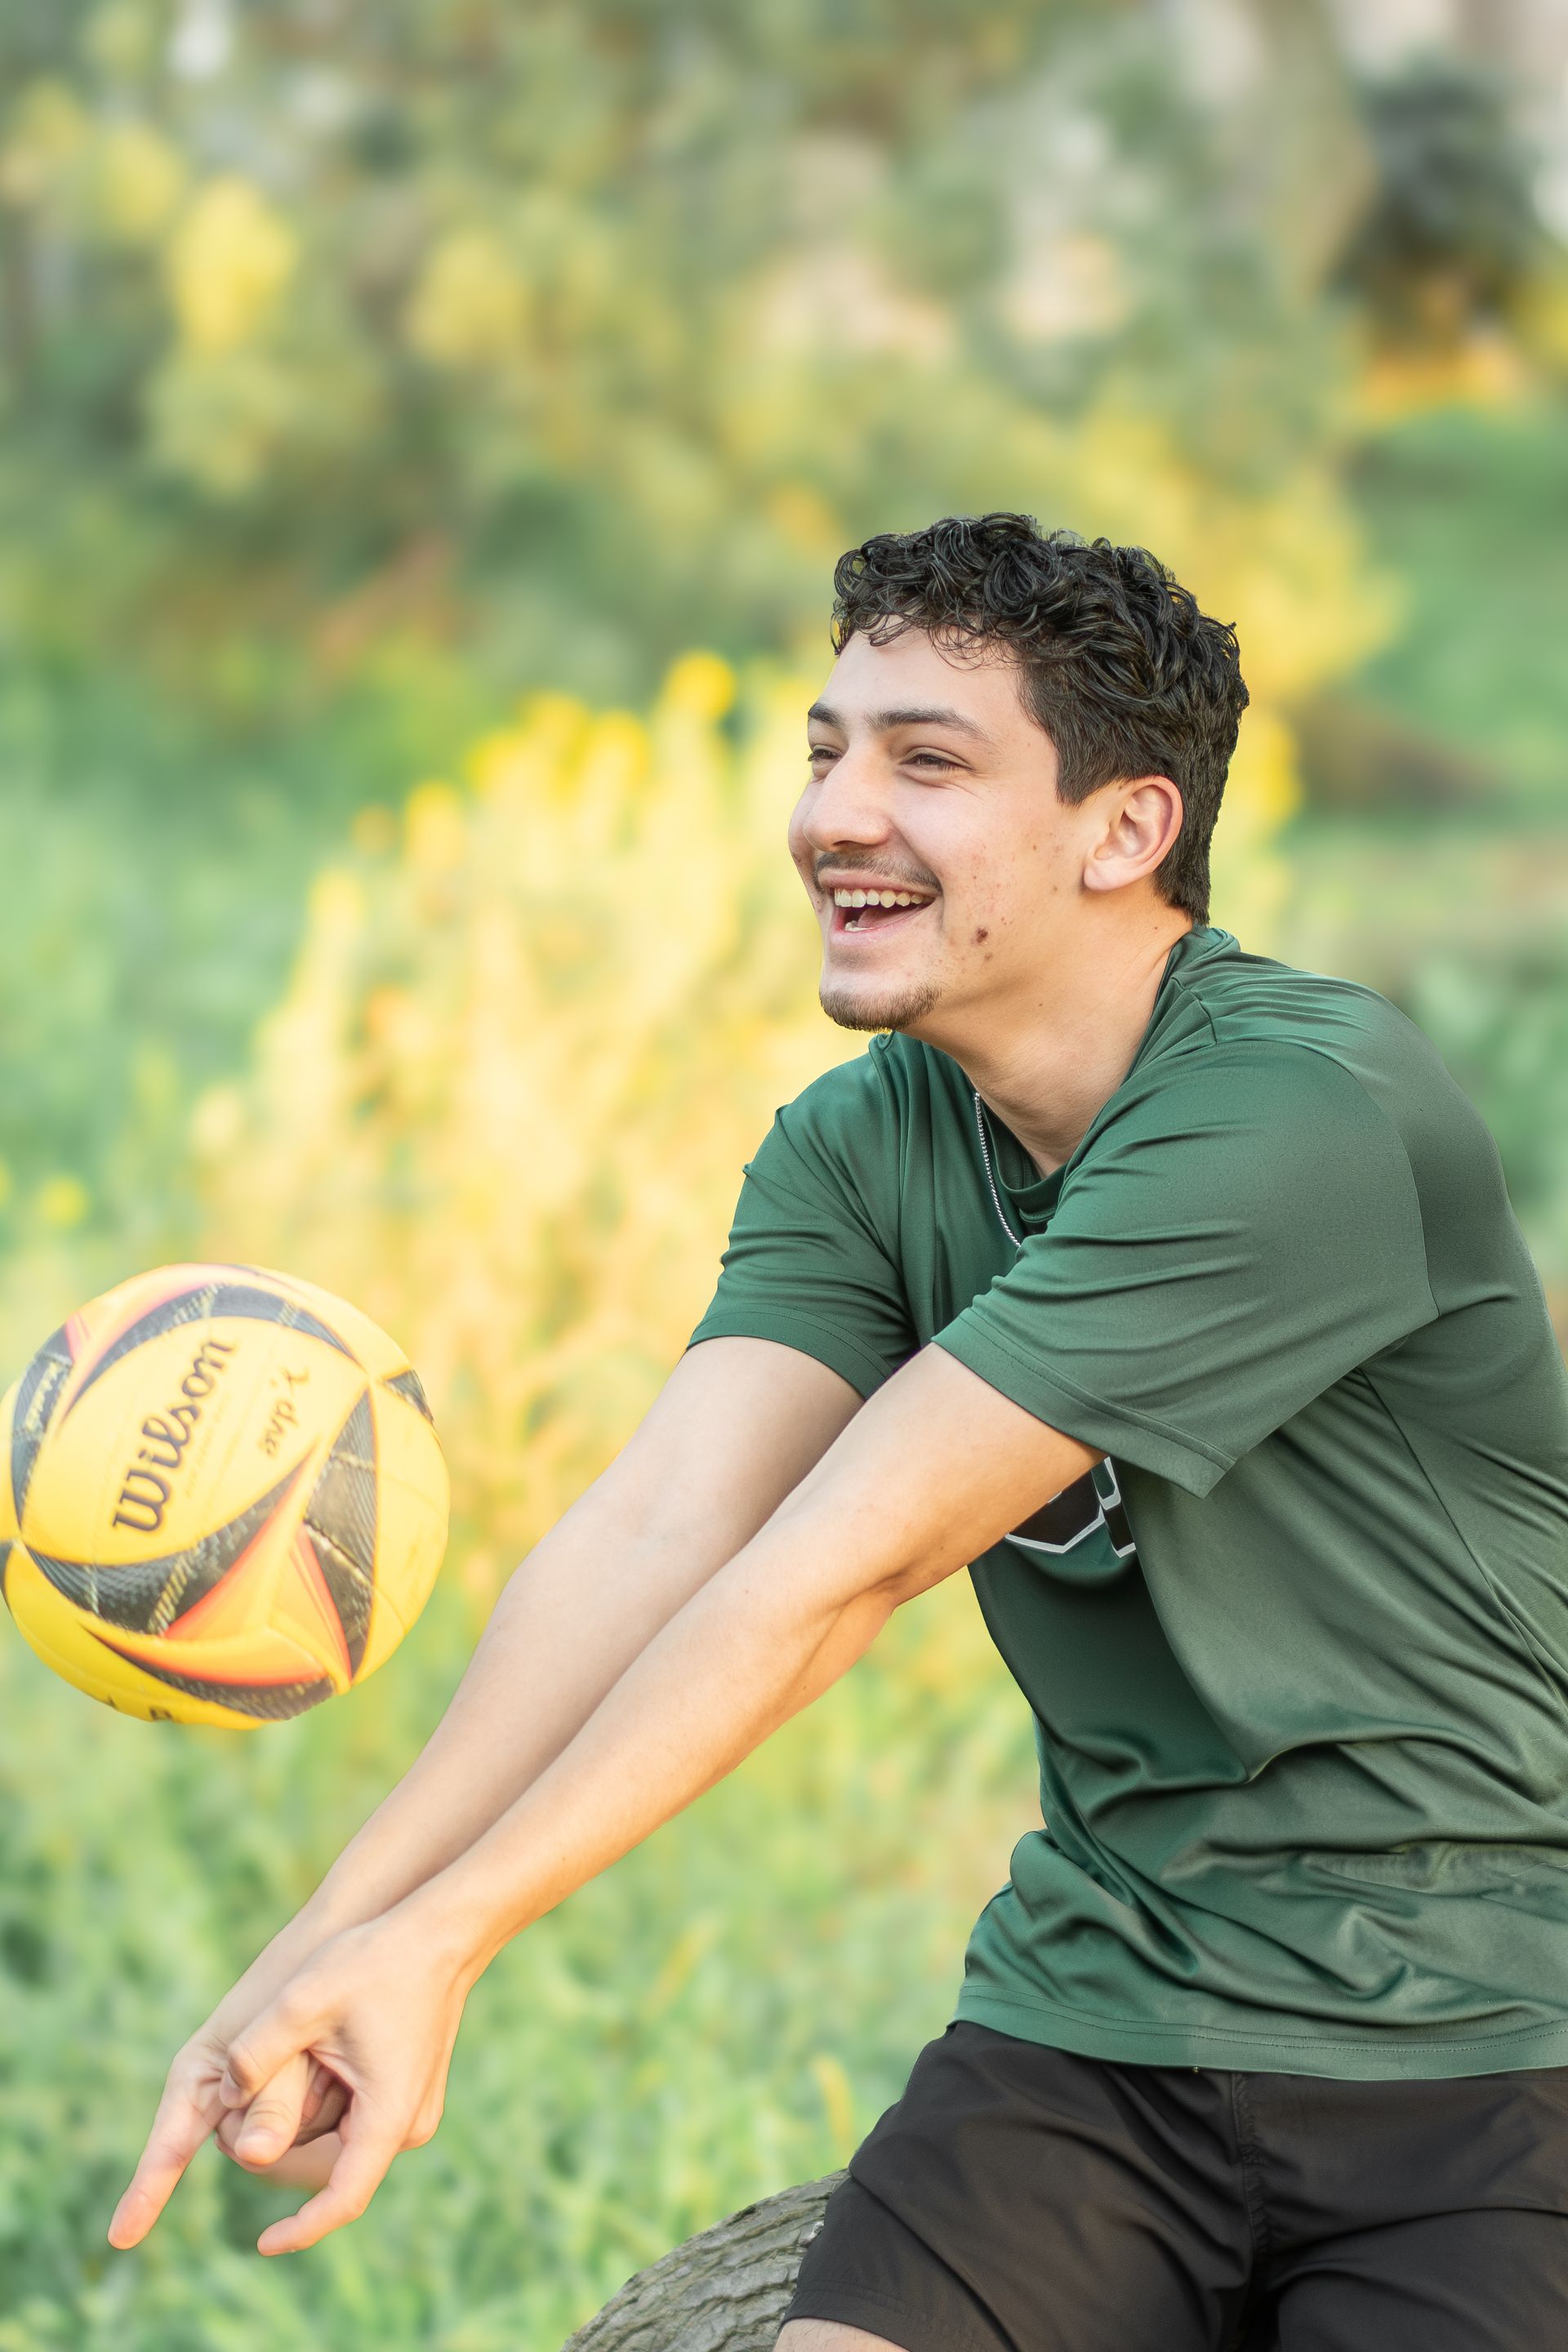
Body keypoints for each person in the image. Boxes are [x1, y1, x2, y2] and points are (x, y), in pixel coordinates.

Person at [110, 514, 1568, 2350]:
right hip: (1101, 2025)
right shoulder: (860, 1144)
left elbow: (847, 1561)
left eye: (926, 761)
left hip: (1490, 2039)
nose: (831, 815)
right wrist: (326, 1957)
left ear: (1128, 831)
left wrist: (458, 1935)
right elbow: (656, 1537)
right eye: (826, 748)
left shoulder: (1304, 1117)